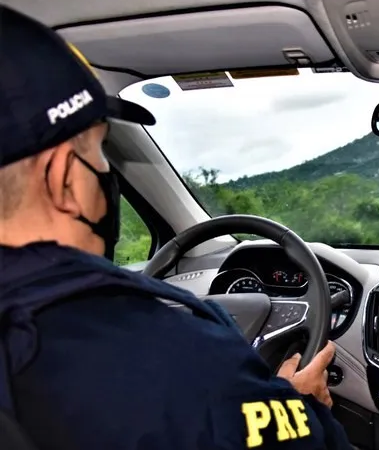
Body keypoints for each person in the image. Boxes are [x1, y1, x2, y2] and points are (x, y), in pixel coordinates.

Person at [0, 5, 351, 450]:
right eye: (99, 154)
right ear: (64, 178)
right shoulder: (172, 360)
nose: (105, 173)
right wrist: (304, 410)